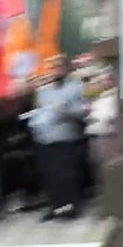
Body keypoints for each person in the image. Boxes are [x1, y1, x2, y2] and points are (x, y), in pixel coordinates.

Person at [27, 61, 87, 220]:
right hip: (45, 139)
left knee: (67, 176)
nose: (55, 71)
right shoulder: (43, 91)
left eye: (58, 67)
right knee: (50, 176)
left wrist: (65, 110)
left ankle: (70, 208)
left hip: (65, 138)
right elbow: (38, 111)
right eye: (52, 68)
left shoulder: (75, 87)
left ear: (65, 70)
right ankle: (55, 207)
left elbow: (83, 111)